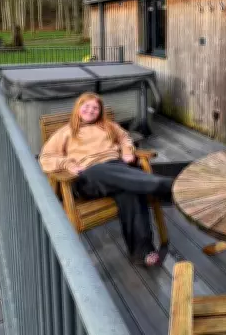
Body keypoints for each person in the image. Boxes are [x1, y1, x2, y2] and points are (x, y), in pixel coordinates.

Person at [40, 92, 173, 267]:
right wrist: (66, 164)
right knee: (107, 172)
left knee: (130, 191)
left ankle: (142, 252)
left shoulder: (108, 126)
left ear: (100, 111)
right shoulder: (65, 132)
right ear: (78, 108)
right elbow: (45, 158)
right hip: (89, 177)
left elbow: (125, 138)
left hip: (117, 169)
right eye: (86, 106)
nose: (90, 110)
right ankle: (165, 186)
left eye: (95, 108)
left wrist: (127, 151)